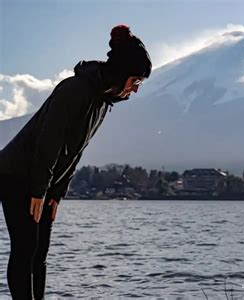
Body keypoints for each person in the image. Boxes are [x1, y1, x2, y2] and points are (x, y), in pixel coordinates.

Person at [0, 24, 152, 299]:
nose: (136, 90)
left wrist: (56, 194)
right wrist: (39, 189)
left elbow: (75, 151)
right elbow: (49, 142)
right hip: (17, 175)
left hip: (43, 183)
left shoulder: (102, 102)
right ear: (122, 74)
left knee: (39, 253)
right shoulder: (74, 90)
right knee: (25, 249)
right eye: (136, 81)